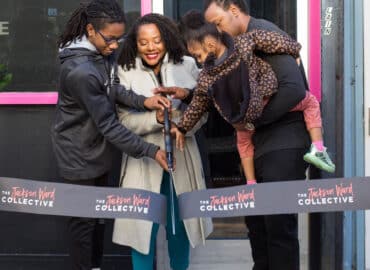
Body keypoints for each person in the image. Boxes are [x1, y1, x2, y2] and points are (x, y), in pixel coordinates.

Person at [156, 1, 311, 269]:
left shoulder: (258, 35)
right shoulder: (222, 59)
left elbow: (294, 90)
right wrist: (186, 105)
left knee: (277, 224)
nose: (216, 31)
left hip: (283, 142)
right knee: (257, 222)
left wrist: (250, 122)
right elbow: (217, 94)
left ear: (234, 11)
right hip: (257, 143)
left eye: (217, 23)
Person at [51, 1, 171, 270]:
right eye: (111, 39)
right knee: (84, 226)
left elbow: (113, 89)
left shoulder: (100, 57)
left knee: (98, 219)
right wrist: (152, 151)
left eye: (120, 38)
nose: (115, 45)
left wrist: (144, 102)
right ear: (91, 30)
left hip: (98, 153)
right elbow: (109, 124)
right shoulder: (79, 71)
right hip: (78, 158)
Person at [176, 11, 335, 186]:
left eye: (198, 56)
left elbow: (197, 105)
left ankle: (251, 182)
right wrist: (293, 50)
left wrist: (182, 127)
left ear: (210, 44)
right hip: (265, 100)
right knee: (310, 102)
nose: (199, 62)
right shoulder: (243, 43)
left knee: (243, 143)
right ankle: (318, 149)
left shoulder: (206, 78)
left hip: (243, 117)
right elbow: (272, 40)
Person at [111, 14, 213, 270]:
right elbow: (122, 122)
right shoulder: (124, 70)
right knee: (141, 233)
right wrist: (155, 119)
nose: (151, 47)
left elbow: (204, 110)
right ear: (135, 44)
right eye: (144, 42)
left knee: (181, 229)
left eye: (156, 40)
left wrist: (181, 122)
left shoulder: (188, 65)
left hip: (182, 157)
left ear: (167, 39)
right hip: (143, 163)